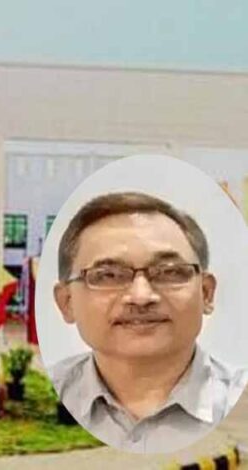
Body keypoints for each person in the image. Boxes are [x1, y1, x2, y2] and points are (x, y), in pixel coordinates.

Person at [49, 191, 247, 453]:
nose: (141, 297)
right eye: (108, 275)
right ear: (67, 302)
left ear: (206, 293)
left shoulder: (238, 403)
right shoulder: (51, 395)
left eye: (169, 272)